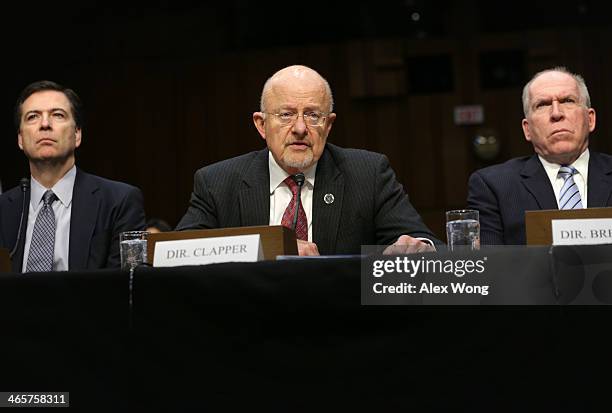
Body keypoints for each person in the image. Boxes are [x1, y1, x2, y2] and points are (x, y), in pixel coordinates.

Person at [176, 65, 440, 255]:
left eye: (313, 115)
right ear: (261, 125)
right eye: (286, 114)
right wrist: (273, 250)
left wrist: (418, 247)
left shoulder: (368, 174)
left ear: (328, 125)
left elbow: (427, 243)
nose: (300, 127)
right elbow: (177, 254)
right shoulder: (217, 182)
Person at [0, 80, 146, 272]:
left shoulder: (119, 201)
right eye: (33, 117)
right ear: (20, 139)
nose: (45, 124)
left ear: (77, 134)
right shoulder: (3, 209)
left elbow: (125, 288)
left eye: (57, 115)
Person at [468, 66, 612, 245]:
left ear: (590, 119)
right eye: (542, 105)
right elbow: (490, 265)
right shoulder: (493, 186)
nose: (556, 113)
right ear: (527, 129)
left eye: (567, 100)